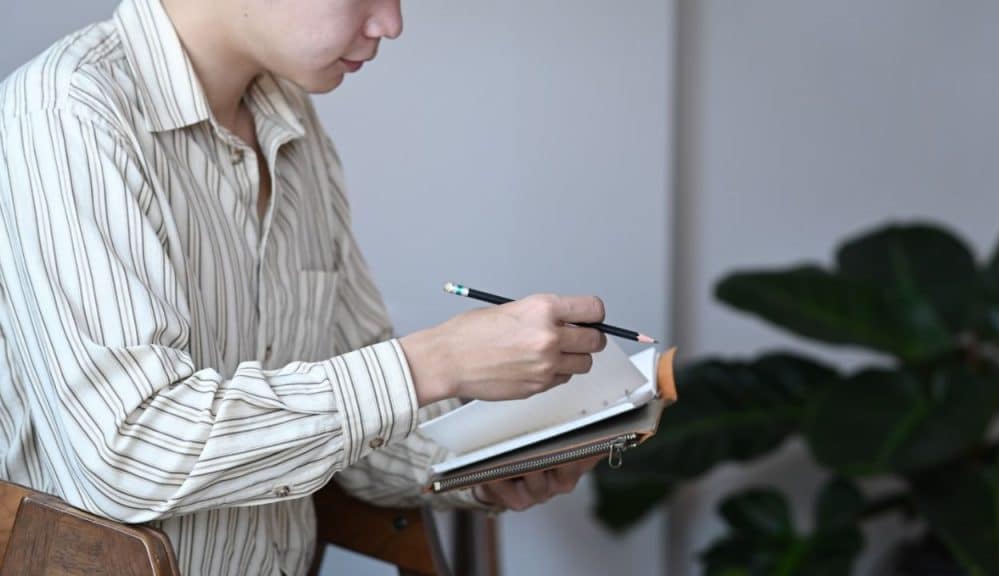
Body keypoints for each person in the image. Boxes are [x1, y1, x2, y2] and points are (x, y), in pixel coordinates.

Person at [0, 0, 609, 573]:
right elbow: (131, 455)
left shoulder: (291, 124)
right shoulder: (67, 114)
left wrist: (489, 458)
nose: (391, 24)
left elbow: (357, 433)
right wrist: (434, 362)